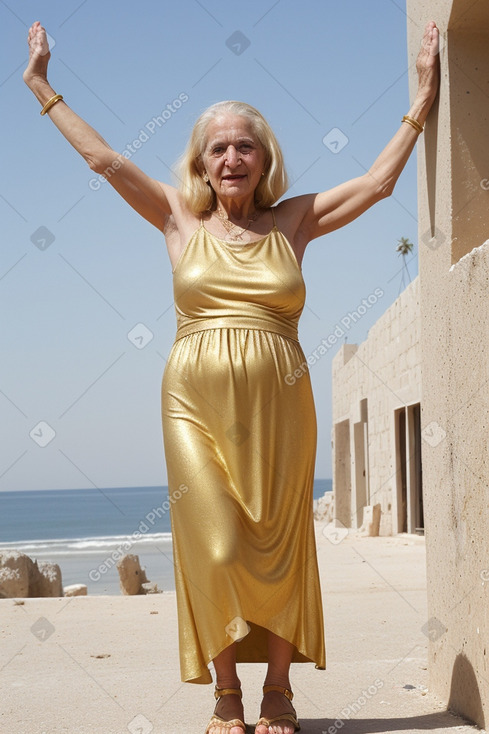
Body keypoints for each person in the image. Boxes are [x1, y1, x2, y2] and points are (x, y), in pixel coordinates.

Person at [24, 19, 440, 734]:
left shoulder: (294, 222)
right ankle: (225, 696)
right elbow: (104, 162)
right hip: (194, 400)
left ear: (264, 157)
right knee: (213, 545)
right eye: (218, 147)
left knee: (280, 543)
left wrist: (424, 96)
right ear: (201, 162)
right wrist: (41, 86)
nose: (231, 156)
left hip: (281, 402)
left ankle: (277, 692)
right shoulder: (177, 220)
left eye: (245, 145)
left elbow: (376, 183)